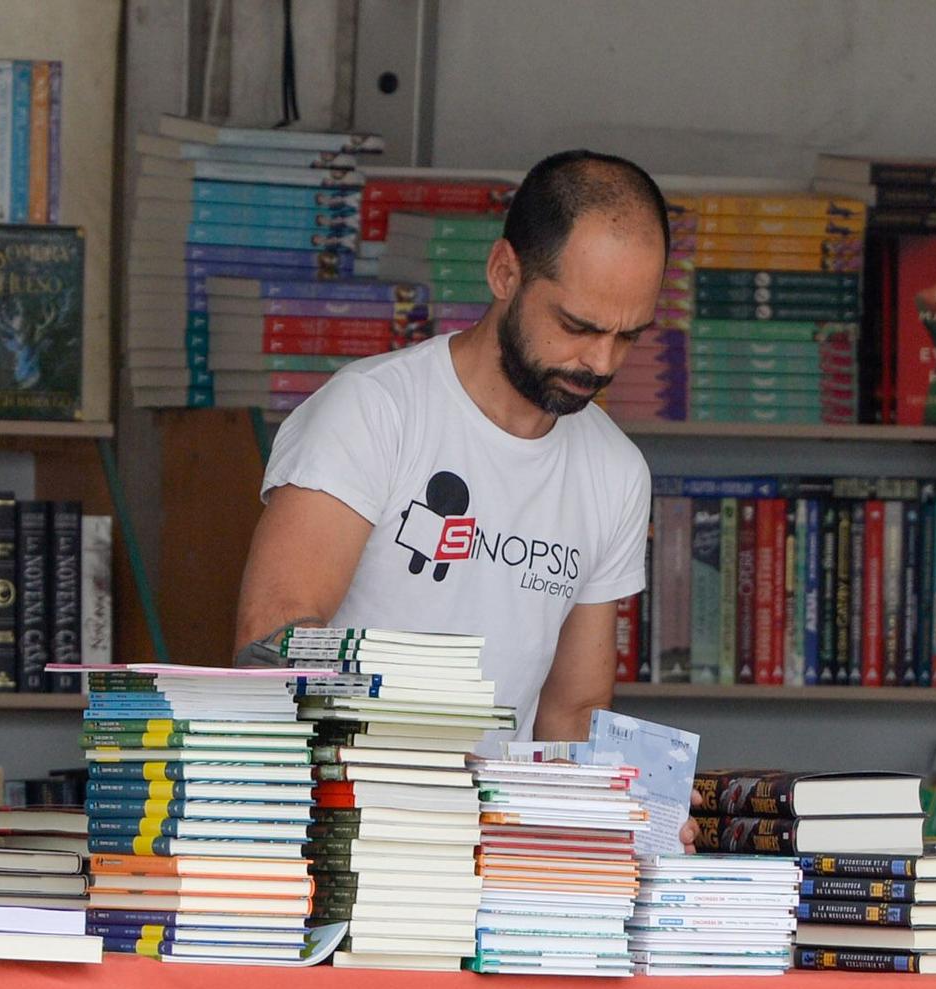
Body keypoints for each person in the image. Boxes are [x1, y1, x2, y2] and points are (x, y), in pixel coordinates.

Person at [234, 149, 665, 746]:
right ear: (504, 273)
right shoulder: (374, 410)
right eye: (577, 326)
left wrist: (635, 805)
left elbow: (572, 714)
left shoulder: (617, 472)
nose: (600, 362)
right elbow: (273, 632)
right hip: (334, 812)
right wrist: (408, 749)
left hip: (487, 831)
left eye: (628, 337)